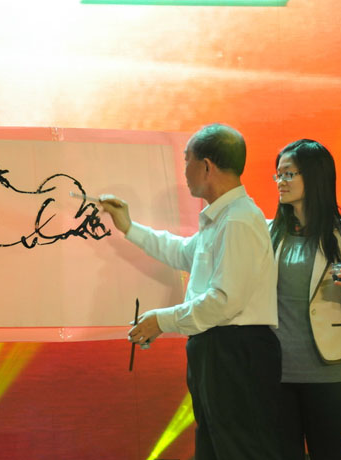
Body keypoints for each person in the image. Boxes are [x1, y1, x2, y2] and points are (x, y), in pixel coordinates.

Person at [101, 123, 281, 460]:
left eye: (187, 160)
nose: (184, 172)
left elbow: (224, 301)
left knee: (237, 449)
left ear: (207, 166)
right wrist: (128, 226)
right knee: (215, 446)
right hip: (219, 350)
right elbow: (182, 251)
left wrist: (163, 320)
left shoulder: (238, 220)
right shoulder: (224, 217)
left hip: (234, 351)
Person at [270, 139, 341, 459]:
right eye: (278, 175)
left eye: (289, 174)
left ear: (315, 176)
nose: (281, 181)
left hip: (326, 374)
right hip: (273, 374)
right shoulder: (266, 233)